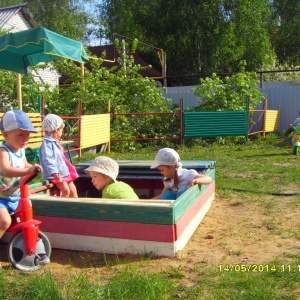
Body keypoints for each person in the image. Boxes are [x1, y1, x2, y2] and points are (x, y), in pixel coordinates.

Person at [0, 110, 43, 242]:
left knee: (25, 216)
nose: (25, 139)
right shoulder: (3, 151)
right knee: (4, 221)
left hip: (15, 196)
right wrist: (27, 171)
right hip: (1, 197)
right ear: (6, 134)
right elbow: (6, 170)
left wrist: (32, 166)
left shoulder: (21, 149)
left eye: (27, 134)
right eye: (20, 135)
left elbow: (23, 163)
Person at [39, 114, 78, 197]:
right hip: (55, 174)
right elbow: (48, 159)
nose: (62, 132)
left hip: (63, 172)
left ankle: (76, 208)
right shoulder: (47, 145)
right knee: (66, 191)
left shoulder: (55, 142)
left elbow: (61, 158)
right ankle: (62, 208)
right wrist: (54, 172)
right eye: (61, 130)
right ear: (56, 130)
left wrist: (69, 167)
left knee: (73, 190)